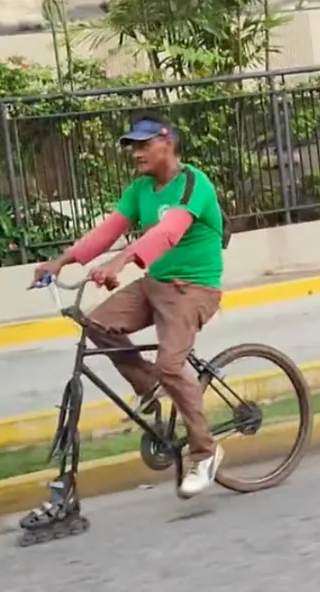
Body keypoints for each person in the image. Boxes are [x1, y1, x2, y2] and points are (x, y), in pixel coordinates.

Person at [32, 113, 227, 498]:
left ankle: (205, 453)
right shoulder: (140, 190)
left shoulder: (193, 183)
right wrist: (62, 261)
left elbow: (169, 232)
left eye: (143, 144)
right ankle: (149, 385)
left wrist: (121, 262)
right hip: (154, 285)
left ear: (167, 142)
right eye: (132, 146)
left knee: (171, 366)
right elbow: (106, 233)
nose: (136, 153)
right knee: (96, 324)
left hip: (193, 289)